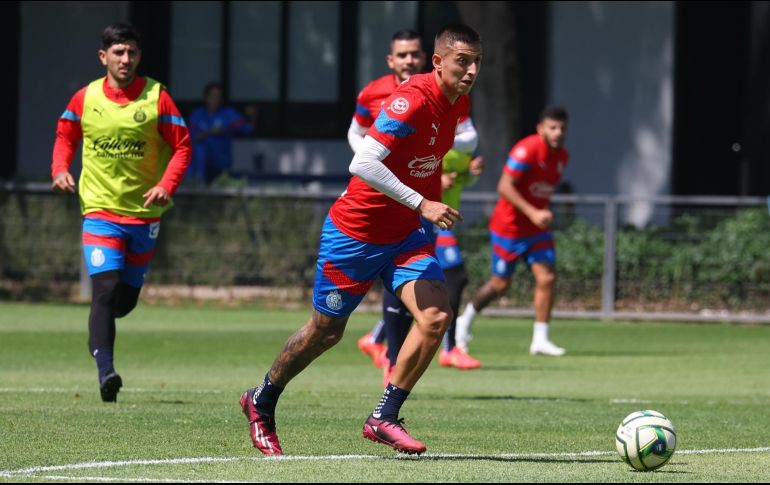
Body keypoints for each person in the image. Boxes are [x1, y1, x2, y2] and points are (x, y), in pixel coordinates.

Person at [240, 24, 483, 456]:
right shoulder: (411, 99)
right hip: (356, 233)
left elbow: (423, 163)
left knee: (435, 318)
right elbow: (364, 163)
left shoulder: (457, 104)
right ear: (438, 61)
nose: (471, 70)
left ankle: (383, 417)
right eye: (463, 61)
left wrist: (430, 201)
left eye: (477, 62)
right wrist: (422, 203)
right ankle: (261, 400)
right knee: (325, 333)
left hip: (405, 235)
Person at [51, 24, 191, 402]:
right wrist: (60, 169)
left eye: (131, 52)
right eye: (118, 53)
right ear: (103, 57)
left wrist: (165, 185)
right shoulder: (86, 98)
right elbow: (66, 134)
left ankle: (98, 336)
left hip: (144, 215)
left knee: (123, 303)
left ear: (138, 57)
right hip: (99, 210)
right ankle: (106, 373)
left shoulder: (156, 97)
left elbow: (182, 146)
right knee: (105, 291)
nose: (125, 59)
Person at [350, 30, 483, 374]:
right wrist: (381, 163)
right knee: (327, 324)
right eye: (402, 55)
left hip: (423, 206)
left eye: (414, 54)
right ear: (391, 60)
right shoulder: (386, 95)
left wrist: (454, 172)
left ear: (427, 59)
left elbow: (462, 140)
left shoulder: (454, 97)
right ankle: (383, 346)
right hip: (377, 203)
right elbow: (360, 146)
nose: (409, 60)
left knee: (432, 296)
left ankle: (392, 376)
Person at [454, 106, 570, 358]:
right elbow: (504, 186)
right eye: (552, 127)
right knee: (500, 283)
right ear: (540, 128)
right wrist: (533, 212)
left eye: (562, 128)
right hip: (509, 227)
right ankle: (464, 320)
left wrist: (541, 213)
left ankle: (540, 339)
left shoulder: (562, 156)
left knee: (547, 278)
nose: (557, 133)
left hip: (536, 230)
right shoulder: (526, 150)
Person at [188, 82, 256, 184]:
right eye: (213, 96)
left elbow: (248, 130)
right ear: (206, 98)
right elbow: (191, 138)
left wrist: (253, 116)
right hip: (200, 166)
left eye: (218, 96)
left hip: (222, 165)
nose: (216, 99)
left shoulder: (228, 114)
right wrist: (211, 132)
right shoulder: (197, 115)